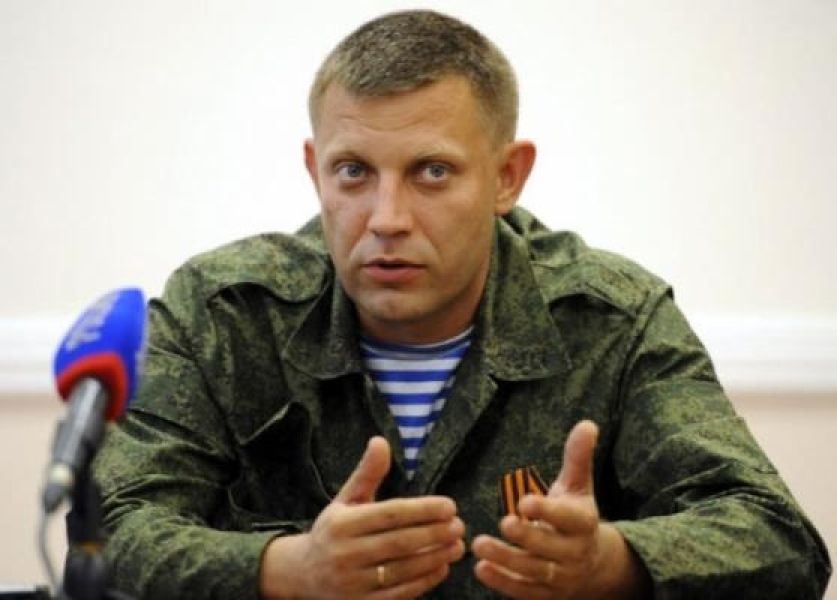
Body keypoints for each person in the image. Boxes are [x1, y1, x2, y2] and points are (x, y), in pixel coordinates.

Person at [92, 9, 831, 599]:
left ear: (507, 176)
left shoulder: (610, 319)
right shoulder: (223, 314)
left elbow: (780, 542)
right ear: (315, 170)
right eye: (353, 172)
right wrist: (287, 570)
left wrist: (610, 563)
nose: (386, 217)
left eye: (433, 172)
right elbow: (109, 533)